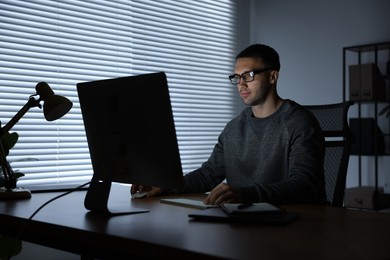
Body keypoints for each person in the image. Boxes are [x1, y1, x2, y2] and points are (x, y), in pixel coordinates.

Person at [131, 43, 327, 206]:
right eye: (237, 77)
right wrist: (166, 185)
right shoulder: (234, 128)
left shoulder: (299, 122)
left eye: (248, 75)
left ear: (273, 76)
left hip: (295, 224)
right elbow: (208, 175)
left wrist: (245, 195)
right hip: (244, 223)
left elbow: (305, 185)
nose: (241, 84)